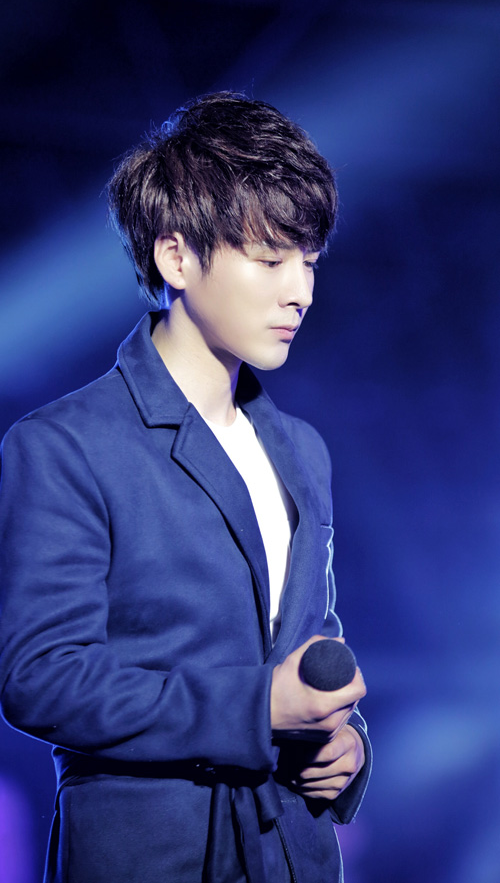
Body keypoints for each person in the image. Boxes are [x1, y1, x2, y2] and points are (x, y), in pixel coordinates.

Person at [0, 91, 371, 883]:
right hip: (149, 856)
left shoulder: (301, 451)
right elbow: (41, 677)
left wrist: (346, 743)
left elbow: (310, 640)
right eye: (270, 259)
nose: (301, 290)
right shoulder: (62, 446)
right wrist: (255, 707)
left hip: (294, 857)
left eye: (309, 261)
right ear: (176, 257)